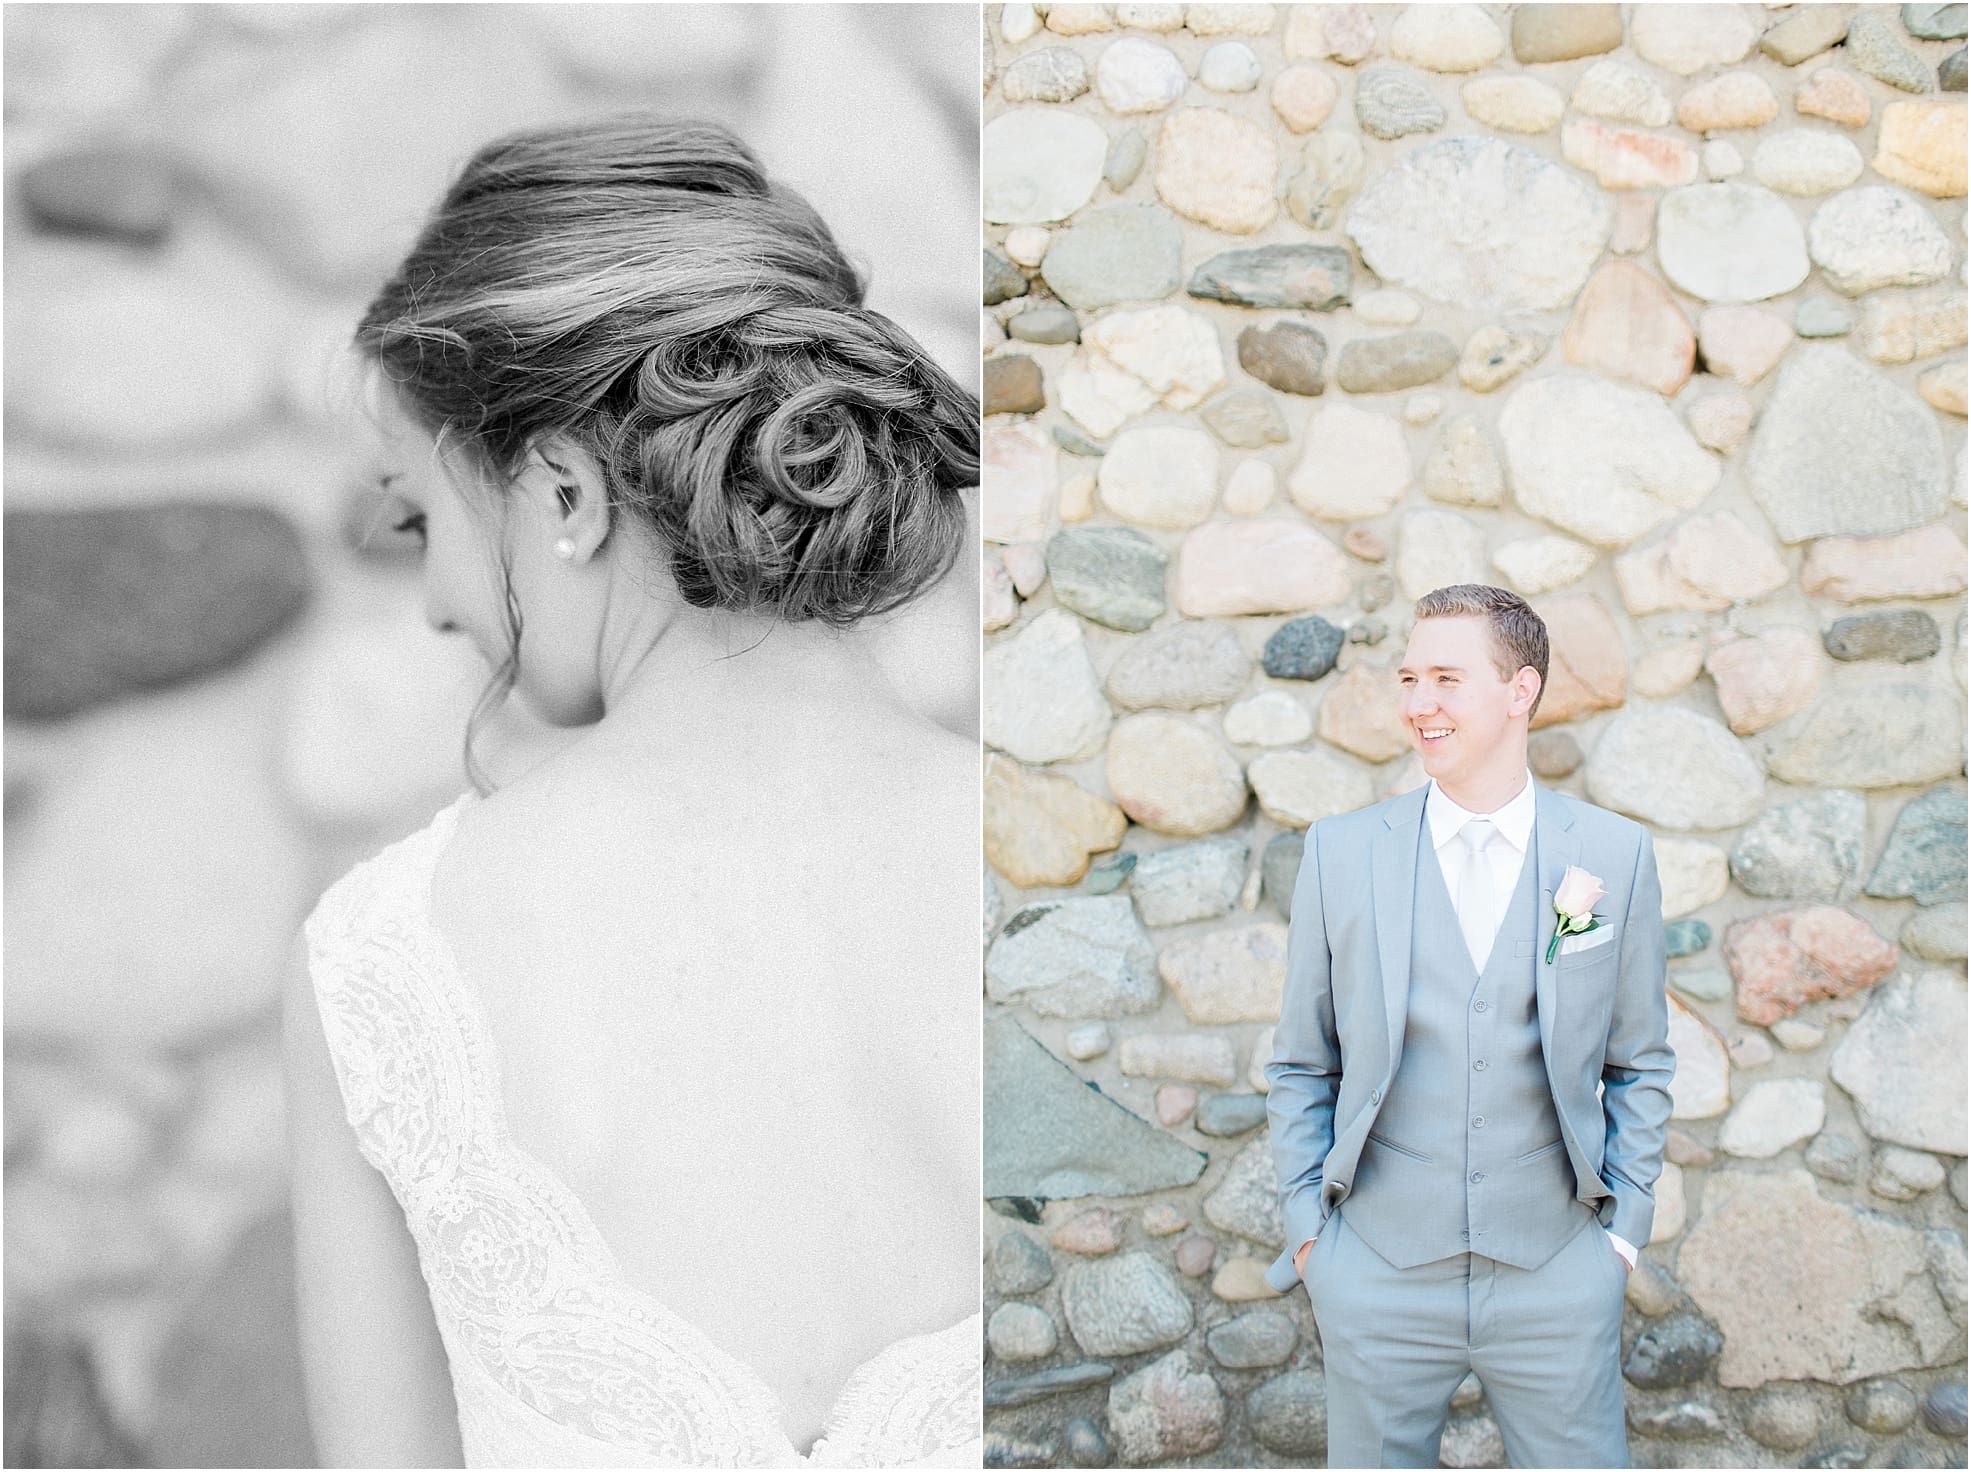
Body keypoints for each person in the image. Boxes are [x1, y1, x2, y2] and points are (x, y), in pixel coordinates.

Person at [282, 113, 981, 1469]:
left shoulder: (381, 965)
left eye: (420, 518)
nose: (434, 604)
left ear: (560, 493)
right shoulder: (1056, 872)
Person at [1263, 583, 1675, 1468]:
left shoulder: (1611, 854)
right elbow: (1301, 1062)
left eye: (1446, 680)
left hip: (1556, 1275)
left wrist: (1620, 1238)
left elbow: (1639, 1061)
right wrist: (1310, 1238)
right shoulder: (1341, 851)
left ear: (1520, 691)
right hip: (1375, 1274)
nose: (1419, 704)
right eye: (1409, 679)